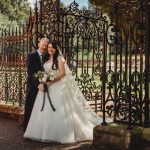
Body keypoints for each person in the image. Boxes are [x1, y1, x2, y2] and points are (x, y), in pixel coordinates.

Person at [23, 40, 112, 143]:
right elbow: (43, 72)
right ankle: (44, 132)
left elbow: (62, 73)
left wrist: (51, 80)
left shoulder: (59, 58)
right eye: (49, 47)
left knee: (59, 110)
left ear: (56, 49)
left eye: (52, 47)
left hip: (57, 86)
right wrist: (44, 79)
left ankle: (59, 134)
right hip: (46, 87)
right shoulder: (46, 58)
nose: (50, 49)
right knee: (43, 111)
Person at [23, 38, 49, 132]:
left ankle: (37, 129)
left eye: (46, 46)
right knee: (30, 107)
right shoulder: (31, 55)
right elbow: (30, 73)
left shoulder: (46, 56)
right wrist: (38, 85)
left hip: (44, 86)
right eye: (43, 45)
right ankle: (26, 128)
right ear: (39, 44)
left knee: (40, 108)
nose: (44, 47)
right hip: (33, 86)